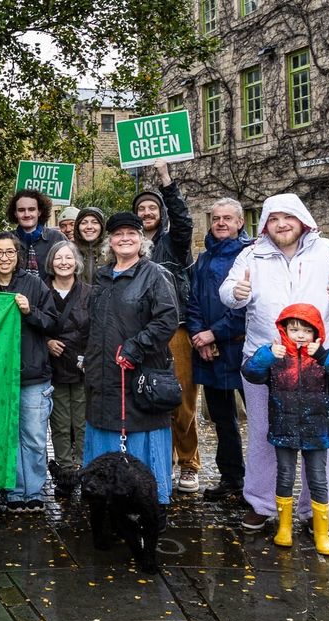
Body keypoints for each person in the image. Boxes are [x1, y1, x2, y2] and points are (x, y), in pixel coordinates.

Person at [220, 193, 329, 531]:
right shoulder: (251, 254)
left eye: (287, 217)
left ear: (302, 219)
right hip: (267, 360)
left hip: (320, 363)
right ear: (265, 224)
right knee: (262, 435)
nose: (281, 224)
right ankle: (261, 503)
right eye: (273, 219)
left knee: (324, 436)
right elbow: (228, 292)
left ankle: (316, 509)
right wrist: (236, 294)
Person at [83, 212, 179, 527]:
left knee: (143, 436)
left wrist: (137, 346)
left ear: (142, 239)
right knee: (106, 431)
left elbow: (166, 319)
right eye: (118, 234)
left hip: (139, 373)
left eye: (131, 233)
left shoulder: (154, 275)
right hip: (103, 373)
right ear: (110, 241)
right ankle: (112, 503)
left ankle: (154, 503)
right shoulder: (100, 275)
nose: (124, 238)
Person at [241, 304, 329, 555]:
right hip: (284, 428)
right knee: (284, 475)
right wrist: (268, 354)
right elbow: (250, 373)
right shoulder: (277, 357)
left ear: (317, 333)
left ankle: (322, 532)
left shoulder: (323, 357)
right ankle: (284, 527)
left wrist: (325, 356)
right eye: (294, 329)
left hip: (317, 430)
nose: (300, 335)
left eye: (307, 330)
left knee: (318, 478)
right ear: (284, 330)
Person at [132, 159, 198, 493]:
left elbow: (184, 220)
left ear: (160, 211)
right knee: (149, 395)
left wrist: (166, 180)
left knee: (182, 399)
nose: (146, 212)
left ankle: (189, 463)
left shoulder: (173, 242)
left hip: (176, 328)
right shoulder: (131, 246)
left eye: (151, 207)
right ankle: (162, 458)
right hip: (144, 333)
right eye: (140, 208)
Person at [0, 232, 58, 512]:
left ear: (18, 256)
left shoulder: (34, 284)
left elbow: (52, 322)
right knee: (9, 436)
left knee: (35, 436)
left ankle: (35, 491)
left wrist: (30, 311)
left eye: (9, 253)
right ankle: (14, 492)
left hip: (33, 375)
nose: (4, 258)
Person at [186, 198, 250, 501]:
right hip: (209, 352)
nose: (221, 223)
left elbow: (246, 307)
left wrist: (215, 333)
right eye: (216, 218)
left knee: (261, 420)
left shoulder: (250, 256)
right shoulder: (204, 258)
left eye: (228, 218)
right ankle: (231, 478)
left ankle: (264, 485)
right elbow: (194, 299)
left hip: (241, 350)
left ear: (240, 222)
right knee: (223, 421)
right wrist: (200, 335)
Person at [44, 240, 91, 487]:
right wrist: (47, 342)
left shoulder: (89, 292)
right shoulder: (41, 291)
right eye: (58, 258)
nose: (63, 263)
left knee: (82, 423)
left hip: (82, 367)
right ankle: (64, 471)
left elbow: (97, 329)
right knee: (60, 424)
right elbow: (33, 323)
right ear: (51, 262)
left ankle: (84, 469)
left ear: (77, 262)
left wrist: (90, 357)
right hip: (54, 368)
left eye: (68, 258)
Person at [7, 189, 66, 282]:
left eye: (31, 209)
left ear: (39, 212)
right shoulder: (6, 240)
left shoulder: (57, 238)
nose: (27, 214)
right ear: (15, 213)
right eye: (21, 210)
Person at [74, 207, 105, 284]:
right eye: (84, 223)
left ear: (102, 226)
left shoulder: (112, 251)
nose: (89, 227)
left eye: (95, 222)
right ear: (77, 227)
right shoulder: (70, 251)